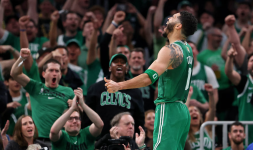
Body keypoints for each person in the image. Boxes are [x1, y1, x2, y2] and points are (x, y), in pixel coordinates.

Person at [105, 11, 198, 150]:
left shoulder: (170, 50)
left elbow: (149, 77)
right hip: (182, 111)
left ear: (178, 26)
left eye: (172, 18)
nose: (167, 20)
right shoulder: (187, 49)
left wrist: (119, 85)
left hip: (169, 109)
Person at [10, 48, 75, 147]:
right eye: (51, 70)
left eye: (57, 71)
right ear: (44, 74)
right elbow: (15, 73)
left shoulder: (69, 91)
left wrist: (74, 106)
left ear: (60, 75)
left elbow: (79, 112)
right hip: (38, 141)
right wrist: (21, 58)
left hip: (60, 140)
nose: (54, 73)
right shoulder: (35, 87)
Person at [83, 53, 144, 138]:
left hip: (126, 142)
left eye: (122, 62)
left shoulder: (135, 91)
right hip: (100, 140)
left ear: (126, 69)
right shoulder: (96, 89)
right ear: (110, 68)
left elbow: (139, 119)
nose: (119, 64)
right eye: (115, 62)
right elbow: (87, 118)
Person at [225, 48, 253, 144]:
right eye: (252, 61)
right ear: (247, 65)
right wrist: (230, 58)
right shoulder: (245, 81)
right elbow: (229, 73)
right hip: (246, 130)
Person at [2, 69, 31, 137]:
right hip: (10, 136)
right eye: (13, 79)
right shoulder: (3, 100)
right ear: (6, 82)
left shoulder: (27, 96)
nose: (17, 82)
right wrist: (5, 106)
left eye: (18, 79)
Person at [186, 84, 216, 150]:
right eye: (190, 111)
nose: (194, 112)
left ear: (200, 115)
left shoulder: (206, 128)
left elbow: (212, 110)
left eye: (196, 110)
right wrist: (188, 96)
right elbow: (182, 115)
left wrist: (211, 94)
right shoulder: (185, 133)